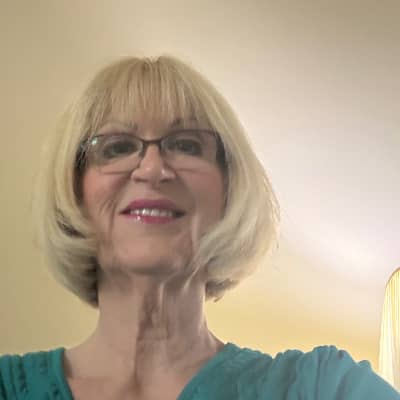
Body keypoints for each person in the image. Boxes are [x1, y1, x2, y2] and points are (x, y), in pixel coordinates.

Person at [0, 56, 398, 400]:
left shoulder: (325, 387)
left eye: (186, 145)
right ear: (75, 189)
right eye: (117, 147)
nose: (152, 169)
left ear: (229, 189)